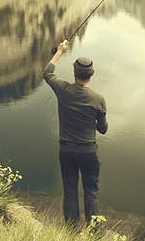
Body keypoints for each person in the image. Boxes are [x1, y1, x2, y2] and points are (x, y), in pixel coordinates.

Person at [43, 40, 108, 227]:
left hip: (67, 152)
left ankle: (72, 232)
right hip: (88, 153)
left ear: (74, 72)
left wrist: (60, 52)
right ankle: (94, 233)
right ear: (92, 73)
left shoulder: (63, 90)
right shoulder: (98, 99)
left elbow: (47, 73)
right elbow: (103, 129)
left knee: (70, 191)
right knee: (91, 192)